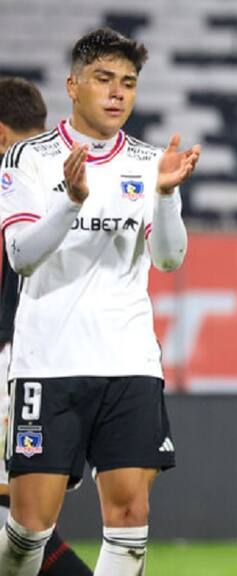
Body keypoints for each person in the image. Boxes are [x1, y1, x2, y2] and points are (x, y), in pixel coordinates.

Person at [0, 28, 200, 576]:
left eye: (128, 83)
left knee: (130, 522)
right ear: (73, 85)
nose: (117, 93)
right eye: (104, 79)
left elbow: (167, 259)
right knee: (26, 534)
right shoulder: (29, 158)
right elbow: (20, 255)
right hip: (50, 363)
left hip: (129, 362)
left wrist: (166, 195)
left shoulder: (148, 159)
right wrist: (70, 203)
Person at [0, 77, 94, 576]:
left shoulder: (14, 187)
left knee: (23, 525)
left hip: (15, 365)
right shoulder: (68, 179)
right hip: (58, 362)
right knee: (27, 523)